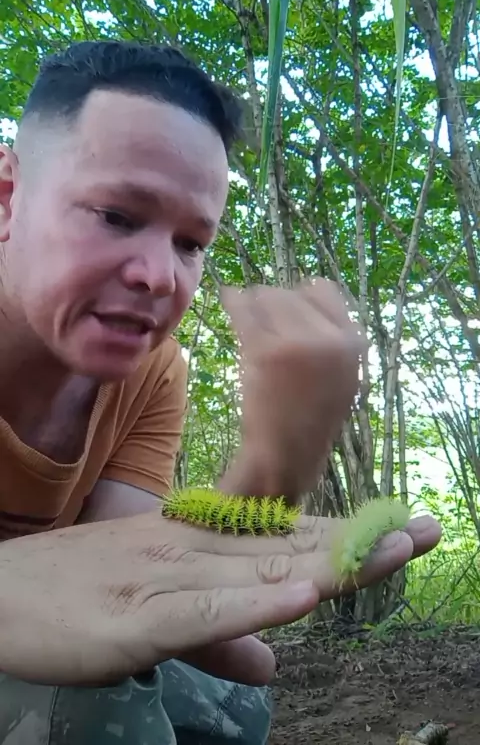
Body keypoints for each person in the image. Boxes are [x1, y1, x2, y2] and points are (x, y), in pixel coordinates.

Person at [0, 40, 442, 744]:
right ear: (8, 197)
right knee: (93, 713)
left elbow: (133, 563)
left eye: (191, 243)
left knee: (235, 702)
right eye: (116, 216)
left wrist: (273, 470)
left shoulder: (151, 370)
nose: (159, 276)